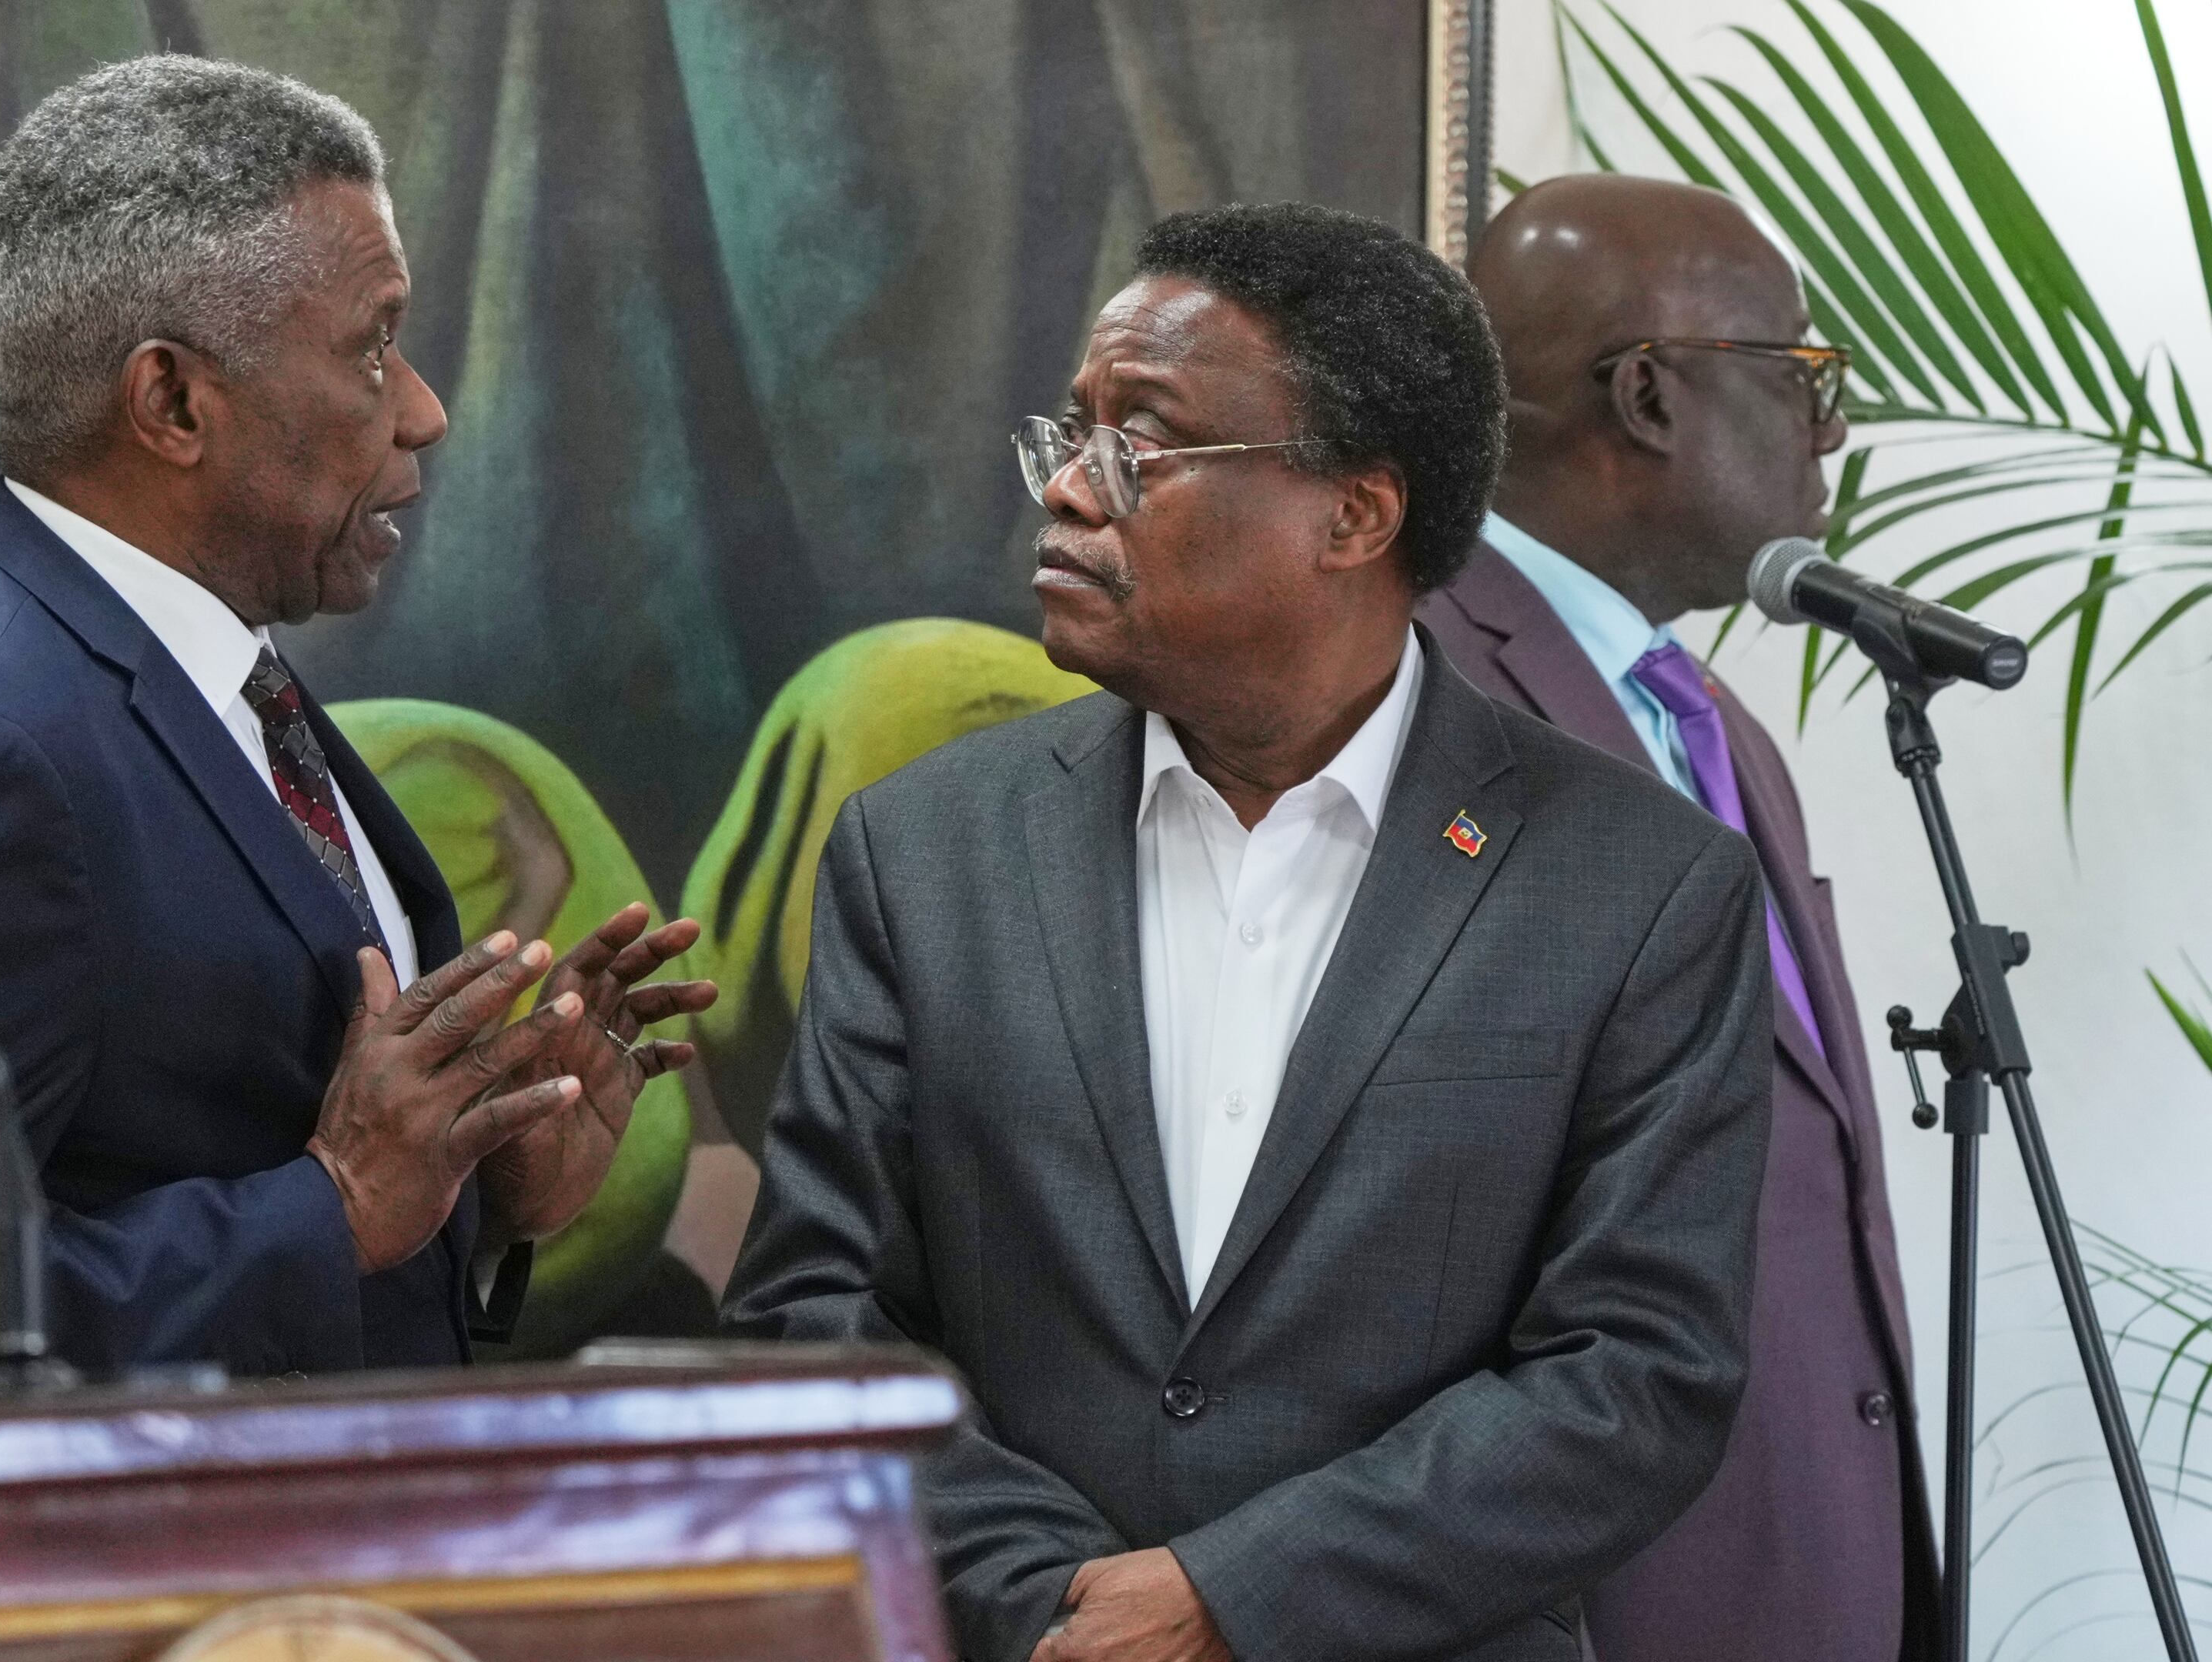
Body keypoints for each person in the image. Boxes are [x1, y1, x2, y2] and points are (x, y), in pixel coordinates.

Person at [722, 202, 1777, 1662]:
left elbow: (1636, 1376)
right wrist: (1054, 1605)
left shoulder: (1641, 885)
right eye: (1072, 434)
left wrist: (1232, 1600)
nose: (1070, 490)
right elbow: (811, 1316)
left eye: (1141, 442)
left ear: (1354, 515)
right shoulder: (922, 852)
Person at [0, 56, 712, 1397]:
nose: (423, 409)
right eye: (370, 345)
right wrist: (330, 1210)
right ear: (175, 403)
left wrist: (477, 1193)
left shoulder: (216, 669)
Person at [1420, 173, 1933, 1662]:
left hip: (1813, 1546)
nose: (1829, 430)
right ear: (1647, 396)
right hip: (1598, 1594)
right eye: (1801, 372)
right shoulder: (1414, 695)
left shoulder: (1710, 722)